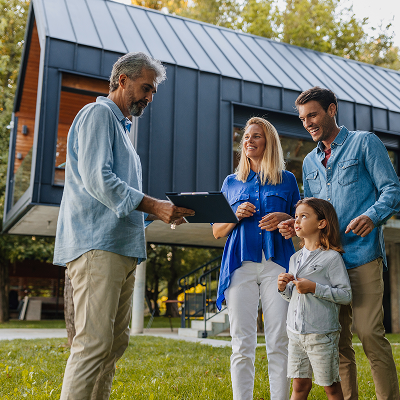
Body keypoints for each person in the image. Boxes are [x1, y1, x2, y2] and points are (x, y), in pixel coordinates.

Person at [53, 52, 194, 400]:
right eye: (146, 88)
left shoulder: (123, 128)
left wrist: (163, 212)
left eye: (153, 92)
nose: (149, 97)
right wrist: (154, 205)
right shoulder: (98, 114)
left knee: (113, 345)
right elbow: (98, 180)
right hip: (97, 246)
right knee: (93, 344)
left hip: (121, 248)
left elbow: (119, 199)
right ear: (123, 80)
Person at [279, 86, 400, 400]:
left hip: (362, 256)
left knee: (371, 335)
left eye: (313, 114)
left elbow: (392, 190)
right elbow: (314, 211)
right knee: (339, 344)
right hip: (325, 262)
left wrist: (373, 216)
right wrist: (294, 223)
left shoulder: (364, 143)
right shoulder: (309, 162)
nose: (308, 123)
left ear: (332, 110)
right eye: (303, 118)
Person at [212, 117, 301, 400]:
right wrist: (235, 216)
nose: (248, 140)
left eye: (256, 136)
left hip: (278, 265)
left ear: (269, 142)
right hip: (240, 265)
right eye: (246, 137)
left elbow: (301, 225)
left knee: (279, 340)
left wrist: (287, 218)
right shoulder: (231, 182)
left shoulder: (287, 180)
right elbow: (217, 231)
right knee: (242, 342)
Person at [278, 197, 352, 400]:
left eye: (303, 216)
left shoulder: (332, 258)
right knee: (299, 386)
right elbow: (292, 297)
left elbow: (346, 296)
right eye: (296, 217)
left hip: (321, 336)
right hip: (295, 334)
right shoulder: (294, 258)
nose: (296, 221)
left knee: (331, 387)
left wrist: (314, 288)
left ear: (321, 223)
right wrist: (283, 288)